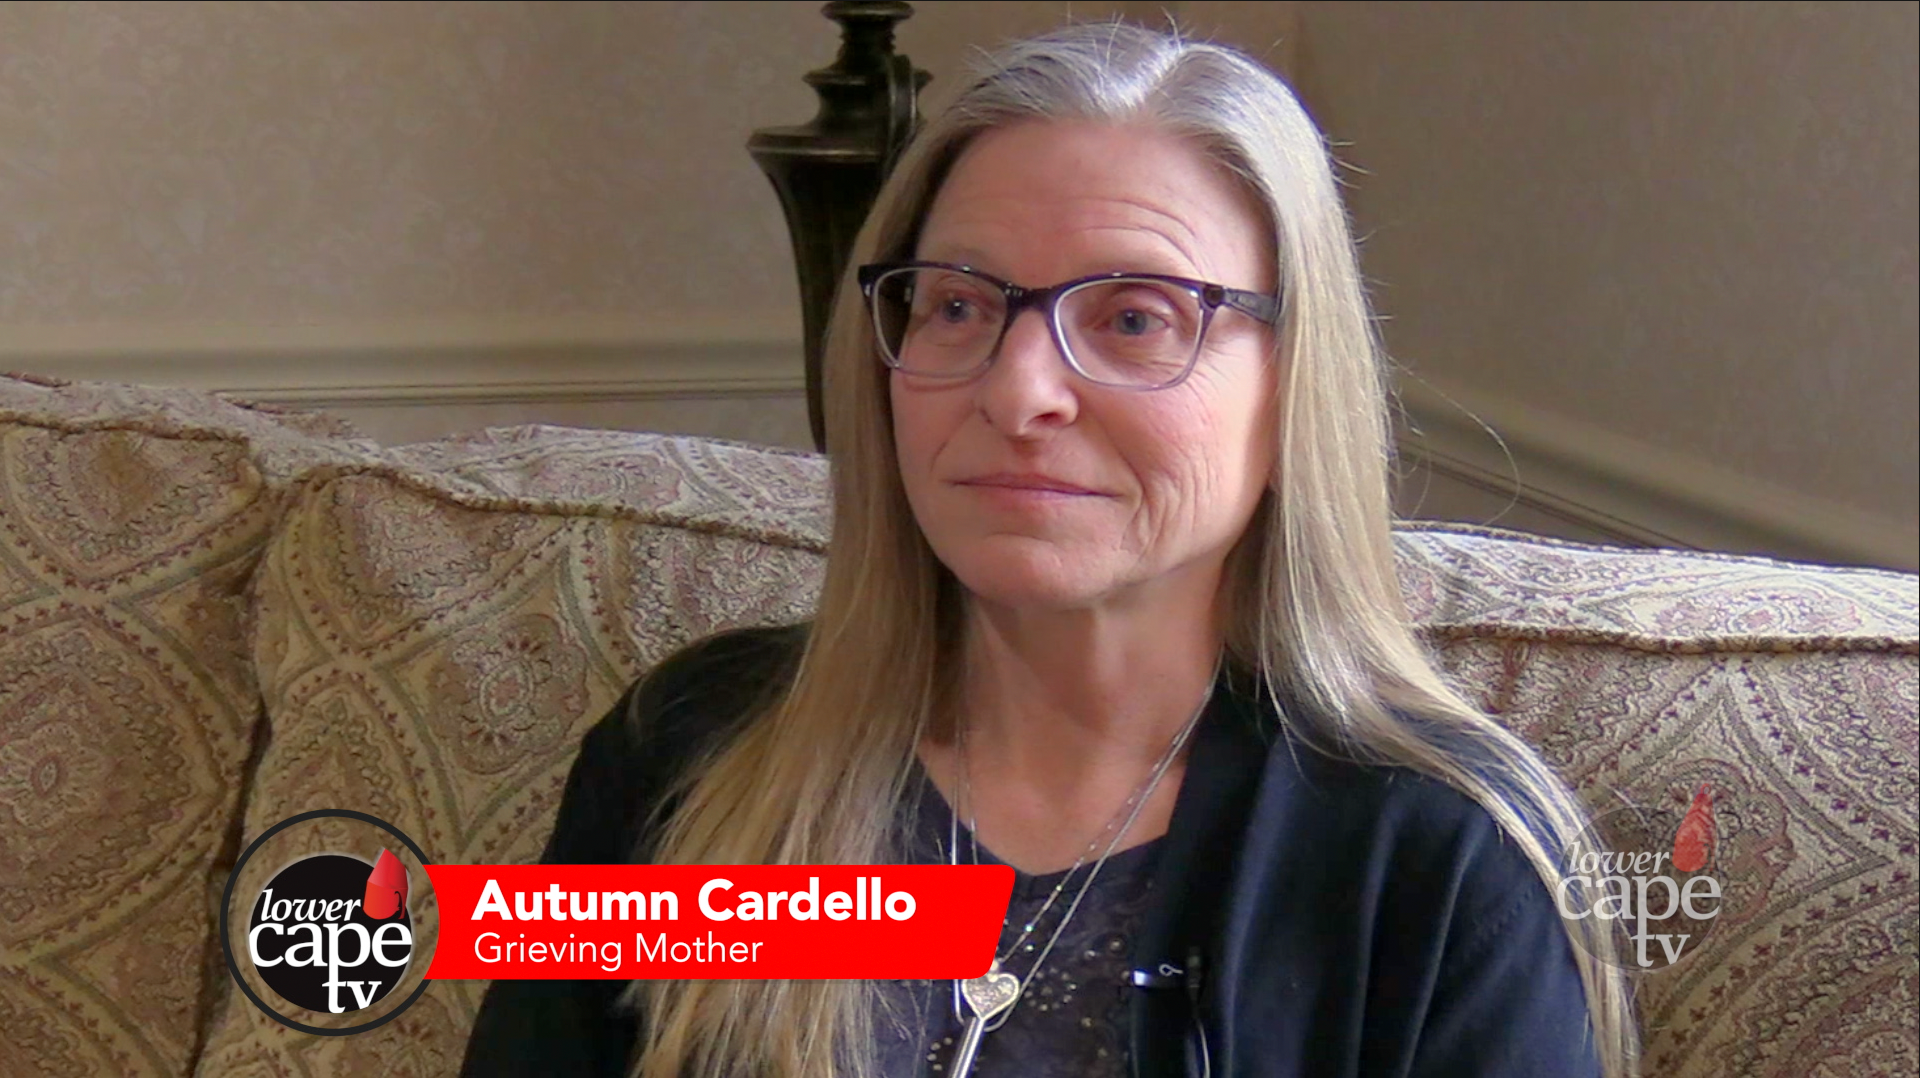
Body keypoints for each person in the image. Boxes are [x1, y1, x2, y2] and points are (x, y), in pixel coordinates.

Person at [461, 21, 1635, 1078]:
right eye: (960, 305)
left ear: (1290, 389)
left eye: (1135, 318)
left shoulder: (1440, 861)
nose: (1019, 390)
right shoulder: (696, 753)